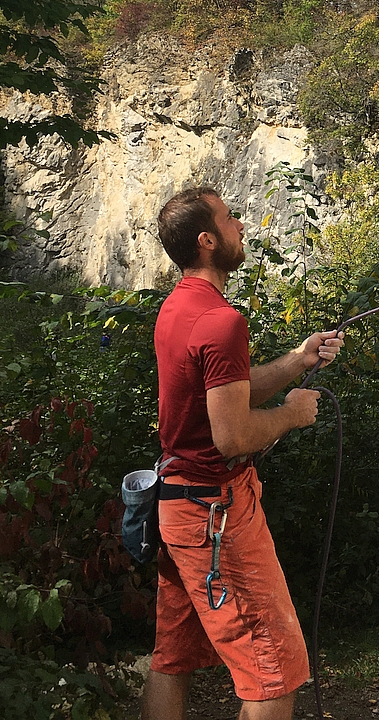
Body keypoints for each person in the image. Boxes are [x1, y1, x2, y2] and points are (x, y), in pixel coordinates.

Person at [141, 185, 344, 720]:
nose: (241, 226)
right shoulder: (222, 321)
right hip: (215, 517)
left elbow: (227, 391)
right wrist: (293, 415)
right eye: (230, 219)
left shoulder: (178, 308)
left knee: (173, 657)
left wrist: (299, 360)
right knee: (274, 664)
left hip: (178, 507)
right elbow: (231, 436)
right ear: (208, 240)